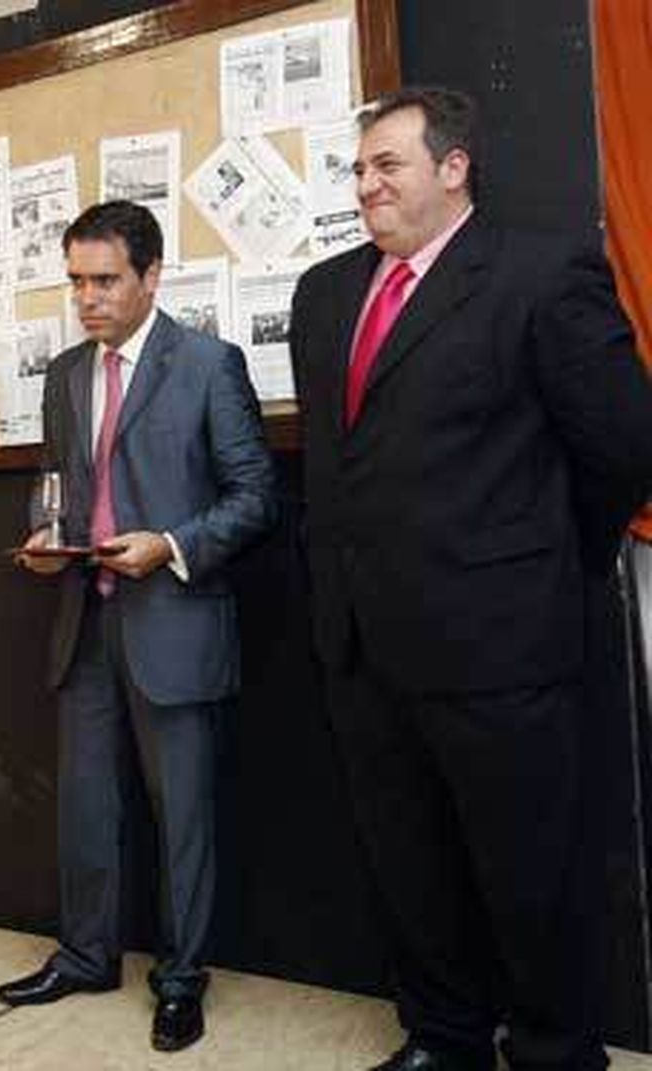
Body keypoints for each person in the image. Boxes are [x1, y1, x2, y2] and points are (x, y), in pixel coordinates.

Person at [289, 87, 652, 1071]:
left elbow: (622, 445)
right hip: (363, 647)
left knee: (532, 876)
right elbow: (336, 462)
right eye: (358, 169)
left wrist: (538, 562)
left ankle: (551, 1053)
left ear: (452, 169)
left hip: (503, 642)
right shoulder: (323, 296)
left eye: (386, 165)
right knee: (408, 869)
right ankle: (443, 1039)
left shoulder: (538, 273)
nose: (365, 185)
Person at [0, 200, 276, 1052]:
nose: (88, 298)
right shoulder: (63, 375)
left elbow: (255, 497)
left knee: (181, 813)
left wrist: (172, 545)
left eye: (106, 280)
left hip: (175, 617)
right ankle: (86, 954)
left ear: (152, 277)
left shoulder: (207, 364)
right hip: (84, 618)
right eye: (76, 281)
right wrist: (47, 539)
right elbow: (60, 488)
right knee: (85, 806)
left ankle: (182, 978)